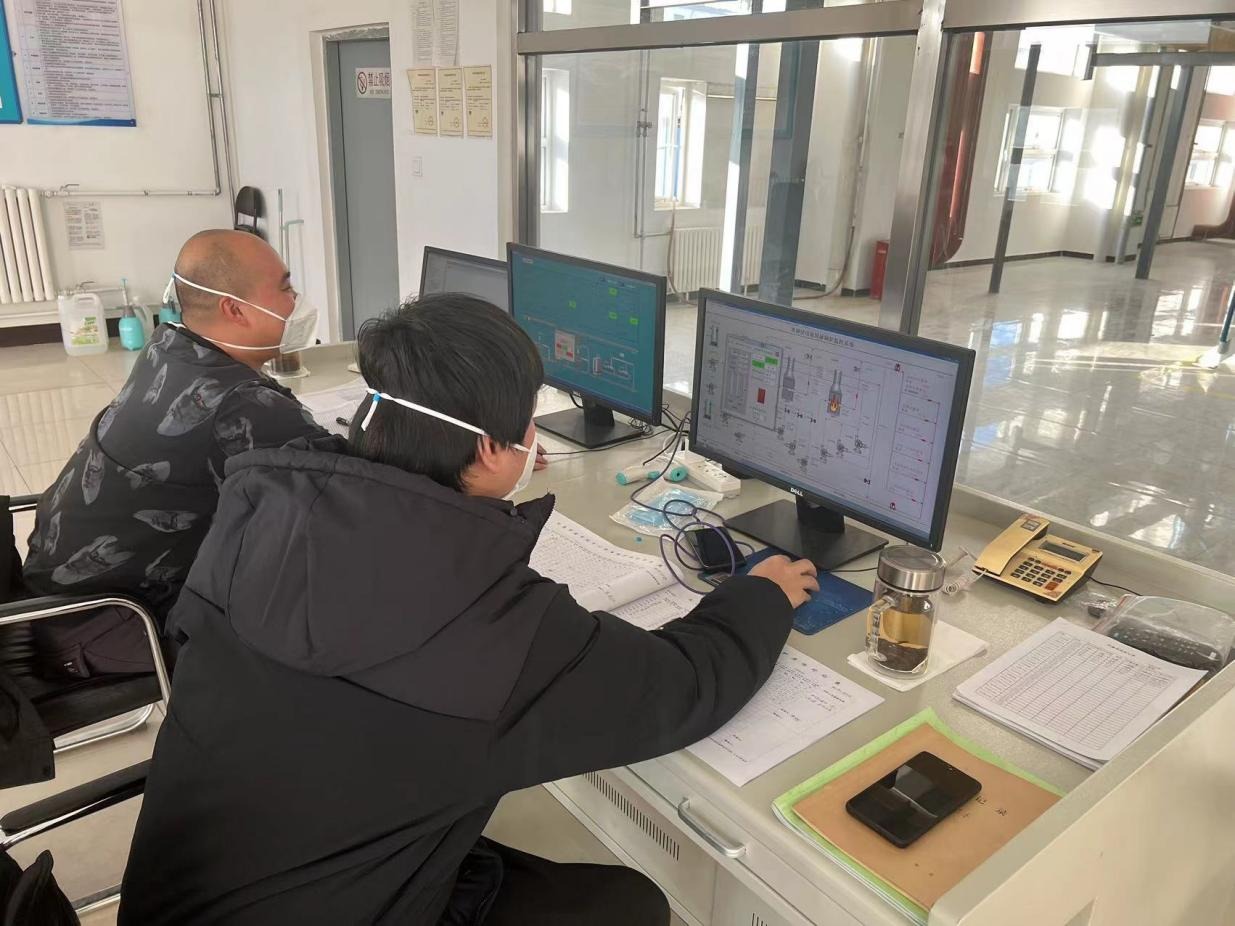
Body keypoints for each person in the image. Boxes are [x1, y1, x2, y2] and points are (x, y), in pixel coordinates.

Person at [118, 295, 819, 925]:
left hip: (195, 890)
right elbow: (683, 687)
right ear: (489, 448)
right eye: (526, 425)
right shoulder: (491, 623)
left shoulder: (258, 510)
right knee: (629, 905)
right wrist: (760, 594)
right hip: (342, 898)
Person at [21, 229, 340, 677]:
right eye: (286, 288)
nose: (296, 301)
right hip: (111, 624)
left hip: (53, 593)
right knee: (333, 586)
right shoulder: (242, 404)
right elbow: (351, 490)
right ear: (235, 309)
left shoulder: (168, 347)